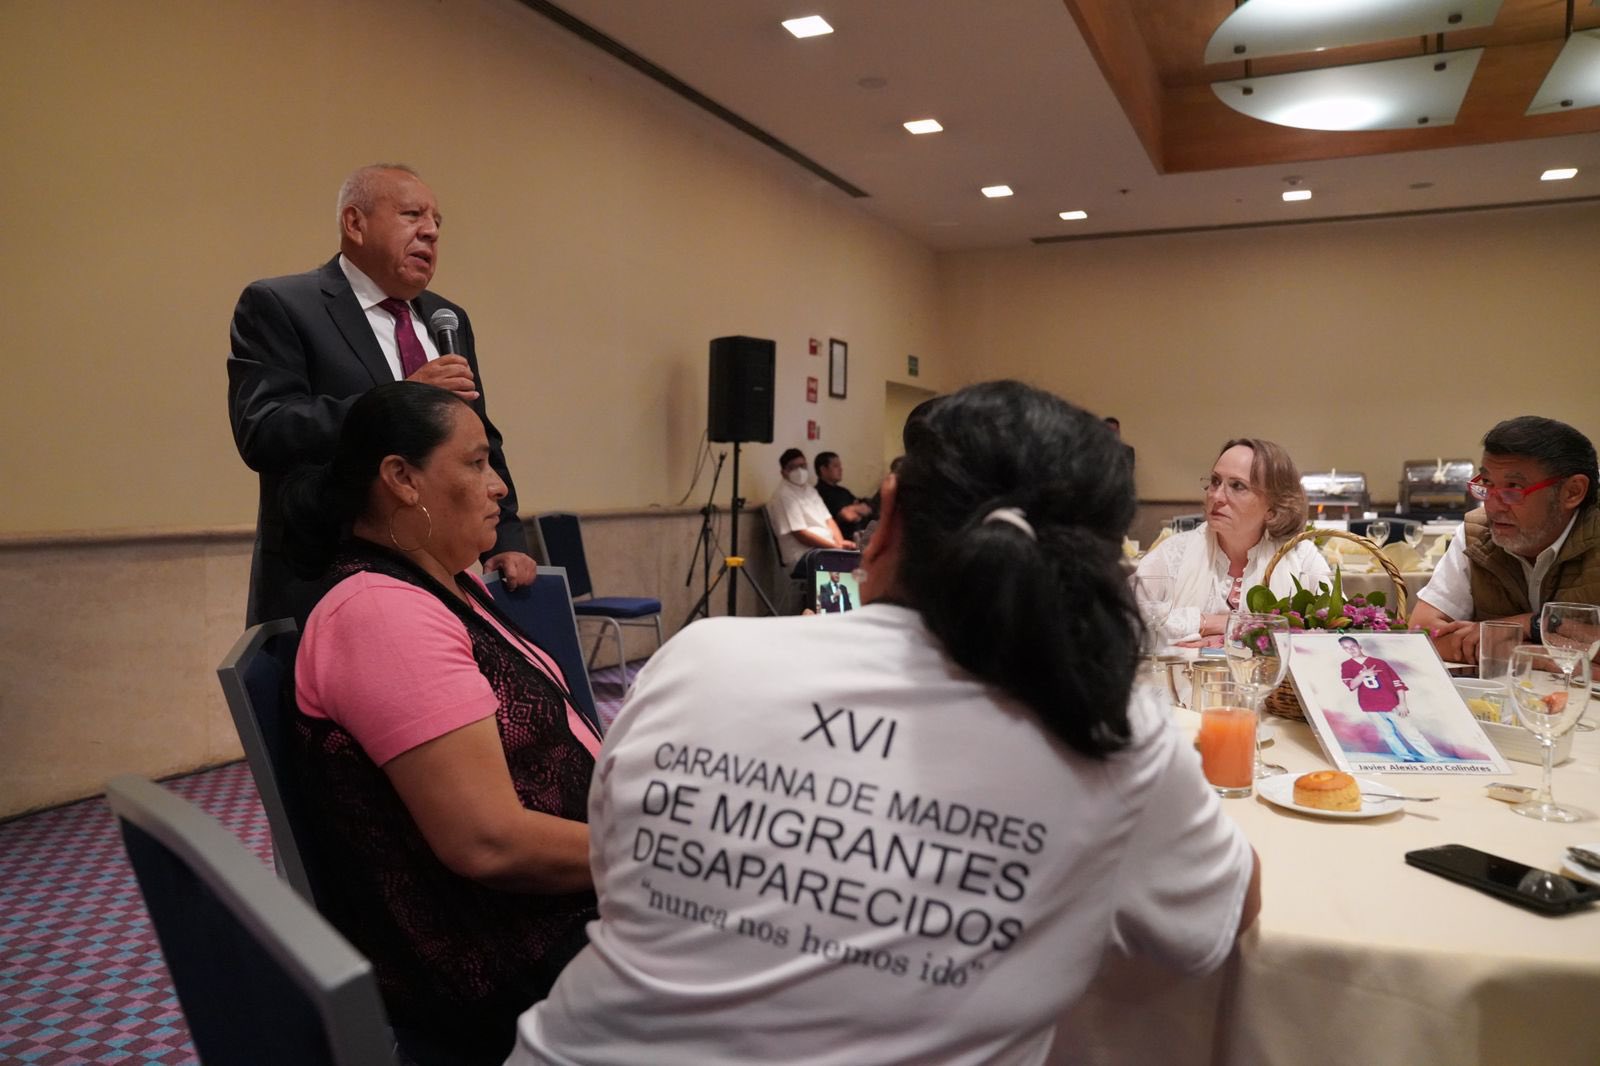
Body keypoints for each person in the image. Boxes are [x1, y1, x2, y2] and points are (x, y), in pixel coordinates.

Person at [506, 381, 1260, 1066]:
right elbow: (1226, 914)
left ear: (889, 514)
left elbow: (616, 868)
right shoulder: (1112, 735)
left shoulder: (697, 657)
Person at [282, 382, 598, 1066]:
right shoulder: (382, 613)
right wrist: (664, 856)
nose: (500, 487)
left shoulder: (450, 583)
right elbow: (488, 842)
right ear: (401, 478)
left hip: (561, 910)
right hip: (504, 963)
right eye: (477, 463)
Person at [228, 163, 536, 626]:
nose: (430, 231)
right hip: (325, 580)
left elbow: (479, 438)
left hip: (438, 578)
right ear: (355, 223)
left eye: (436, 222)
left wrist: (506, 537)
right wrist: (395, 398)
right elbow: (265, 430)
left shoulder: (448, 318)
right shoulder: (282, 305)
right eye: (412, 215)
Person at [1411, 416, 1599, 666]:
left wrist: (1531, 624)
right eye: (1487, 484)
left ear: (1572, 492)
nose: (1492, 506)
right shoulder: (1477, 534)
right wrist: (1543, 655)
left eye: (1513, 488)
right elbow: (1423, 631)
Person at [1134, 438, 1330, 647]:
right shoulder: (1175, 553)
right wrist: (1209, 622)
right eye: (1215, 481)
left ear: (1273, 507)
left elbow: (1335, 629)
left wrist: (1232, 636)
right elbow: (1125, 621)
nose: (1216, 496)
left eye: (1237, 486)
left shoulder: (1300, 556)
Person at [1338, 635, 1440, 762]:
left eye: (1353, 646)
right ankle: (1406, 757)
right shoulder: (1347, 665)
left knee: (1410, 732)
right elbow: (1351, 685)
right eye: (1346, 648)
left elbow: (1397, 683)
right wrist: (1363, 674)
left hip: (1391, 703)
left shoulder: (1380, 663)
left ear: (1359, 646)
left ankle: (1434, 759)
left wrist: (1402, 703)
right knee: (1387, 733)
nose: (1351, 650)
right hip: (1369, 705)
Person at [767, 447, 853, 569]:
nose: (799, 471)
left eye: (802, 466)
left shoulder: (810, 490)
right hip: (802, 555)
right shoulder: (783, 495)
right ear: (783, 472)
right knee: (850, 567)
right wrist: (836, 548)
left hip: (826, 549)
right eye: (793, 467)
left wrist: (840, 543)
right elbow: (800, 534)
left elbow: (828, 520)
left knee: (863, 560)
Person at [813, 450, 874, 539]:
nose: (841, 469)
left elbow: (866, 508)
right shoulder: (817, 493)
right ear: (823, 470)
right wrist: (854, 509)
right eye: (835, 466)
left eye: (840, 466)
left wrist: (852, 508)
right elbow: (849, 516)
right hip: (841, 539)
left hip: (862, 534)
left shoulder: (843, 491)